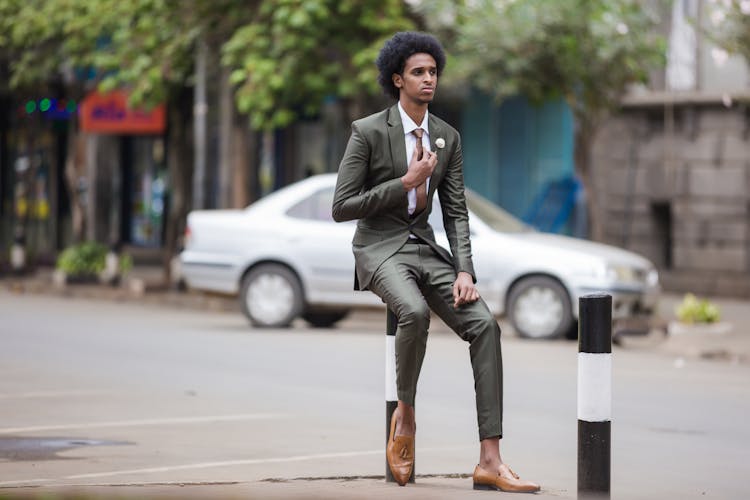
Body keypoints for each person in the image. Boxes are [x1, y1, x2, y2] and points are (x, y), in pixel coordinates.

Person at [332, 32, 540, 493]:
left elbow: (456, 211)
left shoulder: (447, 136)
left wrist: (465, 270)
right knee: (414, 312)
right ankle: (404, 418)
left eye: (433, 72)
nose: (429, 79)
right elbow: (342, 205)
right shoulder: (367, 132)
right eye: (419, 73)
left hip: (426, 248)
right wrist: (406, 182)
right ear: (397, 79)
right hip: (379, 247)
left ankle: (490, 459)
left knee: (485, 324)